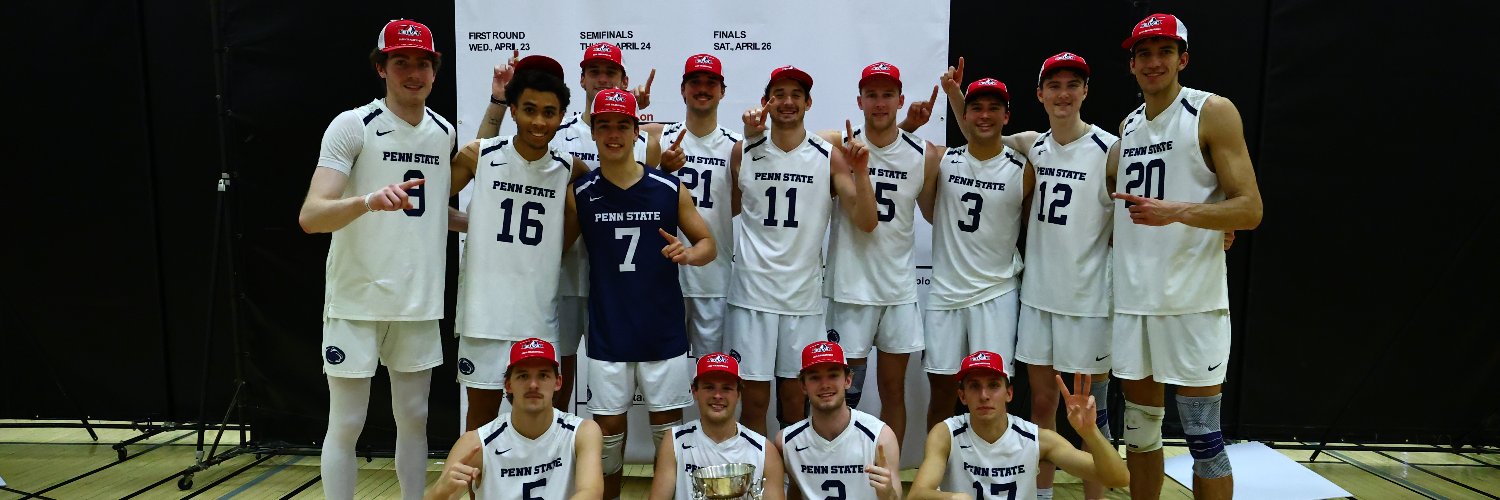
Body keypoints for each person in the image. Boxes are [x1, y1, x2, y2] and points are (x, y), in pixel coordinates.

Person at [1108, 13, 1264, 500]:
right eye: (1144, 54)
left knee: (1204, 440)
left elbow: (1251, 208)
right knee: (1140, 432)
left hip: (1191, 302)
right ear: (1132, 64)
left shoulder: (1212, 111)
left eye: (1164, 52)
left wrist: (1181, 212)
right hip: (1135, 302)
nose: (1154, 62)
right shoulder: (1128, 125)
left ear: (1183, 58)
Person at [296, 19, 453, 500]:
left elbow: (432, 210)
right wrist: (366, 201)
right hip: (357, 299)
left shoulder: (443, 132)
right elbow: (311, 215)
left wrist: (475, 225)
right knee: (346, 423)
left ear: (434, 70)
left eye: (422, 63)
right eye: (401, 61)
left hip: (416, 302)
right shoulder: (353, 125)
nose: (413, 72)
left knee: (416, 420)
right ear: (382, 66)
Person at [566, 87, 717, 499]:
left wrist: (689, 253)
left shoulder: (667, 188)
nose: (613, 134)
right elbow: (556, 250)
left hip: (661, 330)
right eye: (604, 126)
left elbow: (709, 244)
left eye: (622, 125)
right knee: (608, 435)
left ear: (637, 131)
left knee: (667, 433)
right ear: (593, 132)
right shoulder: (581, 192)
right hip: (608, 330)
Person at [726, 65, 878, 437]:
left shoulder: (829, 155)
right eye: (778, 94)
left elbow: (866, 220)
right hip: (751, 294)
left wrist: (862, 173)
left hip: (802, 298)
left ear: (809, 103)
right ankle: (760, 489)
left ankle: (794, 484)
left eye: (796, 94)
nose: (788, 101)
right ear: (766, 102)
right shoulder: (743, 150)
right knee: (755, 402)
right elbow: (731, 207)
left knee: (795, 403)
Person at [1000, 52, 1119, 500]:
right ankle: (1042, 495)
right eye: (1054, 85)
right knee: (1043, 406)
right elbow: (983, 132)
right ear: (1040, 94)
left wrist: (1217, 221)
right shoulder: (1034, 143)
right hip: (1038, 298)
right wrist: (955, 98)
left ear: (1086, 91)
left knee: (1089, 414)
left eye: (1073, 84)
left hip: (1086, 303)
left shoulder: (1111, 148)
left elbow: (1161, 185)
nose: (1063, 93)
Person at [449, 55, 591, 431]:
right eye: (529, 110)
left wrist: (552, 247)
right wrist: (472, 224)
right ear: (513, 110)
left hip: (537, 315)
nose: (539, 121)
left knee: (541, 423)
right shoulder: (480, 154)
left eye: (549, 112)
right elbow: (432, 200)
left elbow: (582, 219)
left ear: (562, 115)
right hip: (484, 315)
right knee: (479, 424)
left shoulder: (571, 168)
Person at [819, 61, 930, 447]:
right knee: (842, 394)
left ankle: (889, 477)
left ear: (900, 100)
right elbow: (795, 137)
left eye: (887, 95)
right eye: (872, 95)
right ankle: (840, 467)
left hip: (898, 289)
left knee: (893, 392)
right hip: (850, 286)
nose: (879, 103)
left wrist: (909, 128)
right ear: (859, 101)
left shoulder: (923, 153)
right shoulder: (837, 148)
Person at [918, 64, 1032, 432]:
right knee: (942, 393)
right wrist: (953, 93)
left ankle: (994, 474)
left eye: (993, 108)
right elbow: (929, 212)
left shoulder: (1023, 167)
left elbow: (1033, 228)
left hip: (996, 293)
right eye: (976, 108)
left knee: (992, 395)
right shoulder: (942, 160)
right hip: (946, 293)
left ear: (1007, 115)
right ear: (965, 115)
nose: (985, 115)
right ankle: (937, 477)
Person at [907, 351, 1129, 499]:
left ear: (1009, 394)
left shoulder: (1036, 438)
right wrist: (954, 497)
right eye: (974, 386)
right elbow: (917, 494)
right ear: (962, 396)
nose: (984, 395)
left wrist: (1090, 433)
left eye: (993, 385)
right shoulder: (946, 433)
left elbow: (1118, 478)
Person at [424, 338, 604, 500]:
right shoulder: (475, 443)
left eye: (543, 375)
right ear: (508, 384)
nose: (533, 385)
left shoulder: (582, 432)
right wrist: (440, 490)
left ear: (558, 382)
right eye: (523, 376)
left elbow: (591, 492)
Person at [654, 54, 741, 358]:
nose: (703, 89)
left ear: (722, 91)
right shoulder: (660, 138)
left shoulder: (735, 145)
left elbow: (736, 204)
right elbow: (640, 196)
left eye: (711, 83)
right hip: (664, 277)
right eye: (695, 82)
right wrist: (661, 170)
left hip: (713, 280)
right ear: (683, 89)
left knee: (714, 374)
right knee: (663, 372)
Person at [648, 352, 787, 500]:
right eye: (709, 387)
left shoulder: (765, 451)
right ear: (695, 391)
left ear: (738, 394)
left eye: (726, 388)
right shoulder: (674, 441)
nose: (718, 395)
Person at [774, 341, 902, 500]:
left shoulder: (881, 436)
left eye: (833, 375)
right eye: (815, 377)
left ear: (848, 380)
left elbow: (895, 497)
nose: (825, 385)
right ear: (803, 386)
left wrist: (888, 494)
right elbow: (794, 491)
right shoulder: (786, 441)